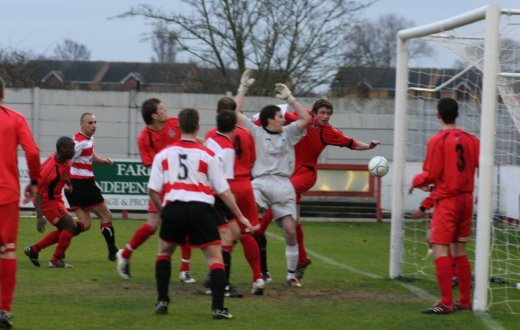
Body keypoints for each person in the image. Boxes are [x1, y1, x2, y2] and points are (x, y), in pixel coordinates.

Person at [255, 98, 380, 281]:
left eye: (328, 114)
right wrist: (254, 121)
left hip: (306, 173)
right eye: (322, 113)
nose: (326, 116)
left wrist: (368, 146)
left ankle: (259, 231)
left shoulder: (327, 131)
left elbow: (350, 143)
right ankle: (302, 259)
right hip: (290, 172)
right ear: (313, 113)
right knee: (293, 217)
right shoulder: (301, 118)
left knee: (280, 194)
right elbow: (275, 117)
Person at [149, 107, 254, 319]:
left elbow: (153, 190)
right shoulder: (208, 155)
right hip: (201, 209)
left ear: (178, 126)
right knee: (215, 258)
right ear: (197, 127)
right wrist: (240, 216)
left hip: (174, 208)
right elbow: (223, 191)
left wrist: (163, 211)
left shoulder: (164, 155)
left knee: (164, 253)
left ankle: (162, 300)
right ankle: (218, 308)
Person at [234, 70, 311, 287]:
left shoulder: (288, 133)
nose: (283, 118)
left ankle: (291, 275)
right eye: (279, 116)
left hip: (284, 185)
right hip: (260, 183)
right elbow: (234, 111)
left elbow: (306, 118)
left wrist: (290, 98)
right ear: (269, 120)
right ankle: (228, 262)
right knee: (245, 223)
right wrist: (242, 88)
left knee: (290, 230)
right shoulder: (256, 132)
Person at [409, 97, 479, 314]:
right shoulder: (472, 140)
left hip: (448, 201)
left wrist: (416, 182)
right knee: (459, 248)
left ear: (438, 115)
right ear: (458, 114)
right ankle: (465, 300)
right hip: (467, 199)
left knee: (439, 247)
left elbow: (431, 174)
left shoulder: (437, 141)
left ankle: (447, 302)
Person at [116, 98, 195, 283]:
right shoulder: (144, 138)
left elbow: (191, 139)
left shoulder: (175, 122)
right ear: (154, 116)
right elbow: (151, 164)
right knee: (153, 225)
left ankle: (185, 269)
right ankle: (125, 254)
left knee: (185, 222)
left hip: (180, 183)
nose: (165, 109)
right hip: (161, 185)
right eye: (161, 108)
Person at [205, 109, 264, 296]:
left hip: (216, 191)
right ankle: (233, 282)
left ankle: (219, 281)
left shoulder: (210, 137)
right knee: (238, 235)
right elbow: (226, 182)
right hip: (231, 189)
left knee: (235, 234)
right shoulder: (240, 138)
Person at [0, 76, 41, 329]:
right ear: (3, 92)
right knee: (7, 249)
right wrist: (34, 181)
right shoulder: (15, 118)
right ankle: (4, 309)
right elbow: (33, 152)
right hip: (6, 193)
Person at [64, 113, 118, 261]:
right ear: (81, 124)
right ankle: (113, 252)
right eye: (90, 123)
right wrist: (64, 181)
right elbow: (65, 160)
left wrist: (103, 161)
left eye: (95, 122)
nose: (93, 126)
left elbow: (90, 155)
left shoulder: (87, 139)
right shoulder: (79, 143)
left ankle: (55, 248)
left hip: (74, 187)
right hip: (82, 184)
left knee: (85, 224)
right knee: (106, 215)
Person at [24, 136, 81, 269]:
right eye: (71, 148)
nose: (74, 151)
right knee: (71, 227)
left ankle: (34, 250)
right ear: (63, 149)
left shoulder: (65, 159)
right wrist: (39, 217)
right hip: (45, 201)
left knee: (64, 230)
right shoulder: (49, 168)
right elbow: (37, 192)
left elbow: (64, 173)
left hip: (55, 198)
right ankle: (56, 261)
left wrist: (67, 182)